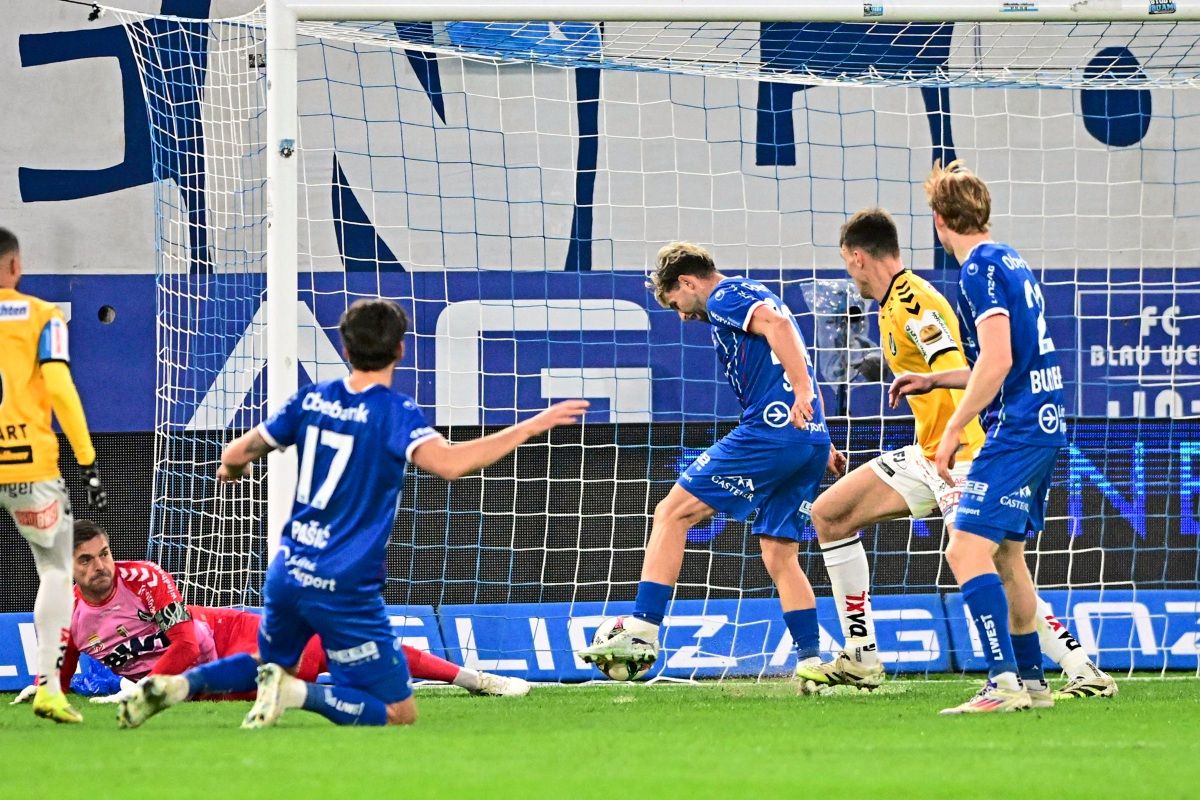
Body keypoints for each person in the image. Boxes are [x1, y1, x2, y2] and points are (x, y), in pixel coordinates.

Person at [118, 299, 585, 729]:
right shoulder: (395, 411)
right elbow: (452, 464)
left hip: (289, 569)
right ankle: (300, 696)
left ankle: (182, 685)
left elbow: (239, 449)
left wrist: (231, 468)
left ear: (344, 346)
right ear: (400, 349)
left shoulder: (311, 399)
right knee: (398, 712)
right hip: (343, 583)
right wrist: (534, 423)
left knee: (272, 663)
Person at [804, 208, 1115, 701]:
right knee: (831, 514)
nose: (850, 273)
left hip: (962, 453)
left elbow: (964, 370)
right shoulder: (889, 305)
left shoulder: (914, 304)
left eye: (848, 264)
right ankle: (861, 658)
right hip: (927, 453)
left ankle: (1079, 669)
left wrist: (956, 443)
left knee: (993, 559)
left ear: (859, 257)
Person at [577, 242, 845, 681]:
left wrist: (800, 395)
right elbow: (787, 348)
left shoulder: (724, 295)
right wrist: (819, 434)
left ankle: (642, 628)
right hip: (805, 439)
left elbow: (778, 328)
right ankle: (812, 662)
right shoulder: (755, 294)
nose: (681, 314)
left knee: (672, 512)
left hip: (770, 432)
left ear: (687, 282)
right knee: (780, 555)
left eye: (675, 302)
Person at [889, 161, 1071, 713]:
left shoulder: (978, 270)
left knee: (964, 549)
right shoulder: (1009, 258)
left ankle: (1002, 683)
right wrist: (935, 378)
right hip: (1047, 419)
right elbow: (1003, 363)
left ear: (940, 221)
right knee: (1007, 556)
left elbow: (997, 360)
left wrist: (949, 429)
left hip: (1018, 428)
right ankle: (1034, 683)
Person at [14, 520, 526, 704]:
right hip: (202, 687)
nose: (102, 566)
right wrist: (46, 689)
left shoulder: (144, 580)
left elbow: (190, 644)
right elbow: (65, 657)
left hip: (230, 639)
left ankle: (473, 679)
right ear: (68, 567)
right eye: (87, 560)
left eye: (103, 553)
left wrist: (144, 689)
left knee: (332, 643)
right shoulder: (66, 610)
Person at [0, 227, 107, 724]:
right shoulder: (43, 317)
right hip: (27, 467)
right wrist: (86, 460)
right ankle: (47, 688)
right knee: (56, 571)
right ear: (15, 267)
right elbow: (61, 390)